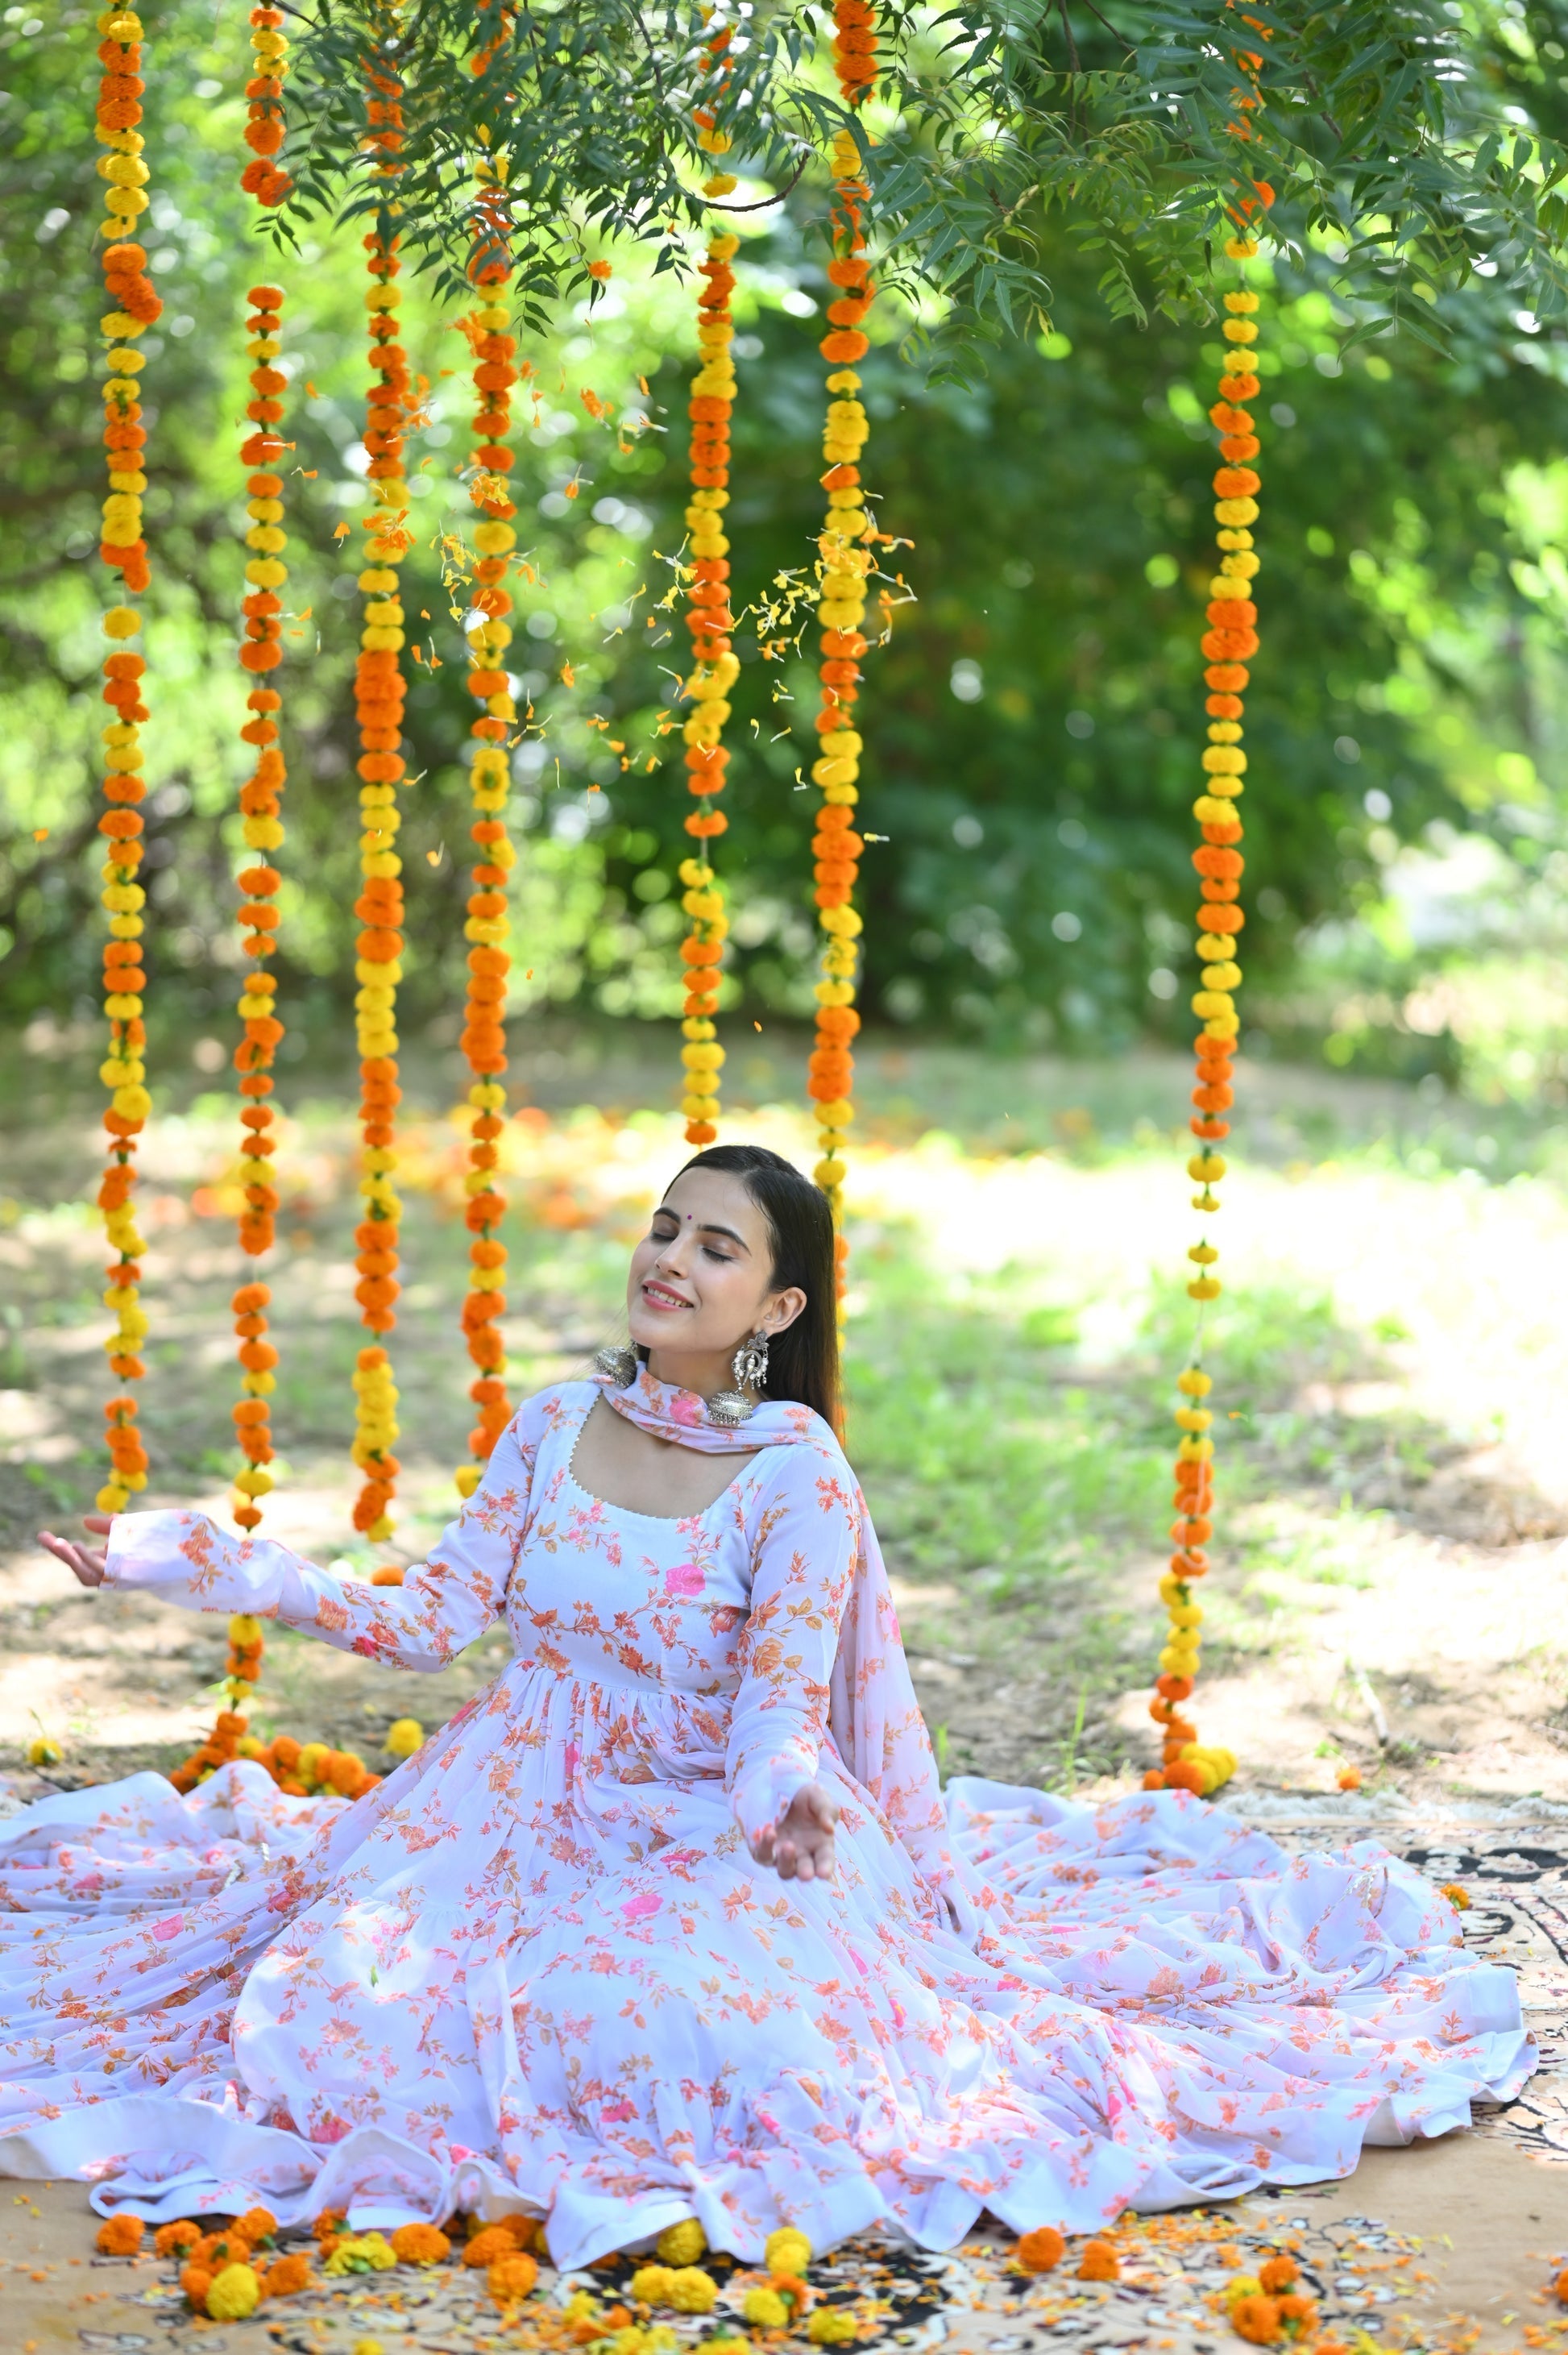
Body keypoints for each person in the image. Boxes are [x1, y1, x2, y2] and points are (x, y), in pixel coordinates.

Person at [6, 1143, 1532, 2264]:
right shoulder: (549, 1425)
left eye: (714, 1247)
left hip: (716, 1816)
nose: (667, 1256)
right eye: (663, 1227)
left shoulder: (793, 1471)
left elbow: (777, 1712)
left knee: (710, 2045)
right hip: (505, 1806)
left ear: (774, 1301)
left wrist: (782, 1800)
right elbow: (425, 1623)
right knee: (349, 2008)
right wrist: (189, 1558)